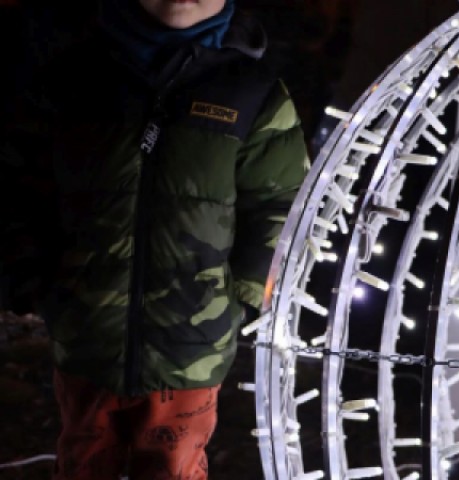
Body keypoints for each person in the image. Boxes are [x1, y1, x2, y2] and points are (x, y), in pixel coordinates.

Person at [0, 0, 309, 478]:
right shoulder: (70, 80)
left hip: (191, 353)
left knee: (173, 469)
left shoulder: (253, 93)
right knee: (85, 464)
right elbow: (20, 187)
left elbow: (281, 207)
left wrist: (241, 302)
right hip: (87, 342)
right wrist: (33, 281)